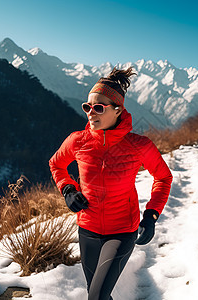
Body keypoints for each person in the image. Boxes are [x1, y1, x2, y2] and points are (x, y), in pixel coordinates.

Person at [49, 66, 172, 300]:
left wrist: (151, 216)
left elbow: (163, 177)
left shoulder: (138, 145)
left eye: (98, 107)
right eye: (87, 107)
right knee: (96, 294)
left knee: (96, 297)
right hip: (87, 229)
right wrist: (68, 189)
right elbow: (56, 164)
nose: (90, 113)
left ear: (118, 110)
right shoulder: (78, 141)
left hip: (122, 231)